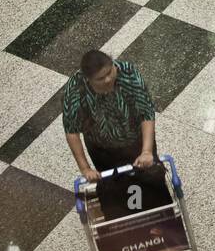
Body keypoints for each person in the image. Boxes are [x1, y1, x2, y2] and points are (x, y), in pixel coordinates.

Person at [63, 50, 159, 183]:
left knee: (152, 182)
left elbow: (146, 112)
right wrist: (85, 168)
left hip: (136, 140)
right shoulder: (75, 88)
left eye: (109, 72)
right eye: (100, 78)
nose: (107, 79)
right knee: (116, 187)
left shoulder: (128, 73)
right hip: (102, 150)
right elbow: (71, 131)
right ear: (88, 79)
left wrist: (147, 151)